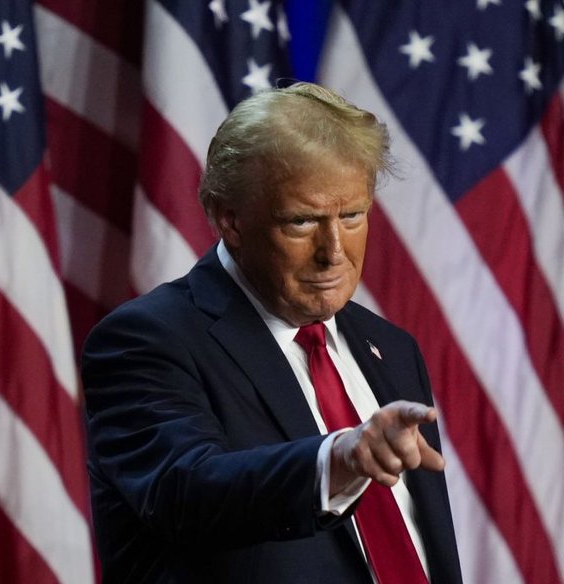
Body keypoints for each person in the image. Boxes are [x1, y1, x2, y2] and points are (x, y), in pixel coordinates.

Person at [82, 83, 463, 583]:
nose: (333, 251)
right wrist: (337, 459)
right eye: (302, 222)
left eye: (352, 216)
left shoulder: (391, 347)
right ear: (230, 220)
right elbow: (188, 492)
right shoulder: (146, 340)